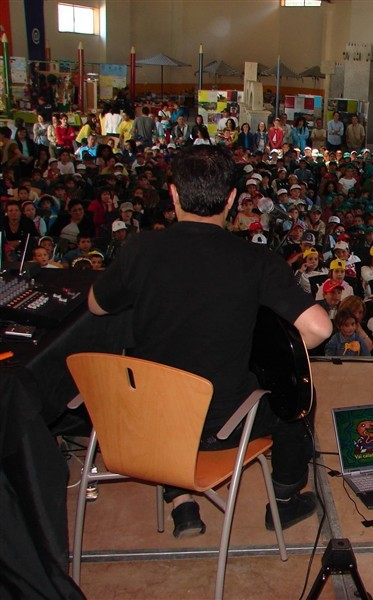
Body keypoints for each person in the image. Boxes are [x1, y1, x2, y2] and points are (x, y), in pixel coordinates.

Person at [87, 145, 332, 538]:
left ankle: (181, 501)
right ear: (232, 199)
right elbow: (320, 329)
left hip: (143, 419)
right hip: (220, 429)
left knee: (165, 372)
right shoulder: (255, 260)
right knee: (300, 396)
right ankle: (285, 501)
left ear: (173, 194)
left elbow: (96, 306)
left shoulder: (139, 249)